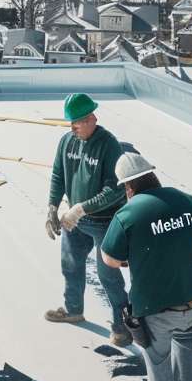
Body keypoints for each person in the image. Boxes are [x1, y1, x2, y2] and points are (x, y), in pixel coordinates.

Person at [101, 152, 192, 381]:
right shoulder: (191, 202)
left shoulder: (128, 213)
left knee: (157, 355)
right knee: (186, 341)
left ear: (128, 187)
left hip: (156, 307)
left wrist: (133, 258)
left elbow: (109, 259)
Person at [43, 93, 130, 345]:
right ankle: (73, 310)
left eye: (78, 122)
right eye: (71, 123)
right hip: (75, 220)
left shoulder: (109, 145)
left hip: (105, 222)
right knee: (70, 265)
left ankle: (121, 326)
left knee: (109, 277)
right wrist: (52, 207)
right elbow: (58, 175)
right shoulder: (67, 141)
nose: (73, 127)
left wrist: (81, 208)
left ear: (92, 118)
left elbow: (114, 190)